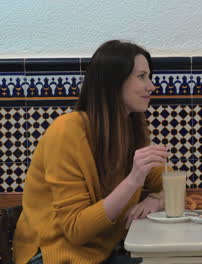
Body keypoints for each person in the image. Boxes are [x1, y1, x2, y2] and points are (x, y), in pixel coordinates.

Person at [13, 40, 171, 264]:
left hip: (106, 252)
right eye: (142, 76)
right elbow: (76, 231)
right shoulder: (66, 132)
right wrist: (134, 180)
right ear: (114, 82)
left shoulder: (131, 130)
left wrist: (155, 200)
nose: (151, 86)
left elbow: (172, 182)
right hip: (53, 255)